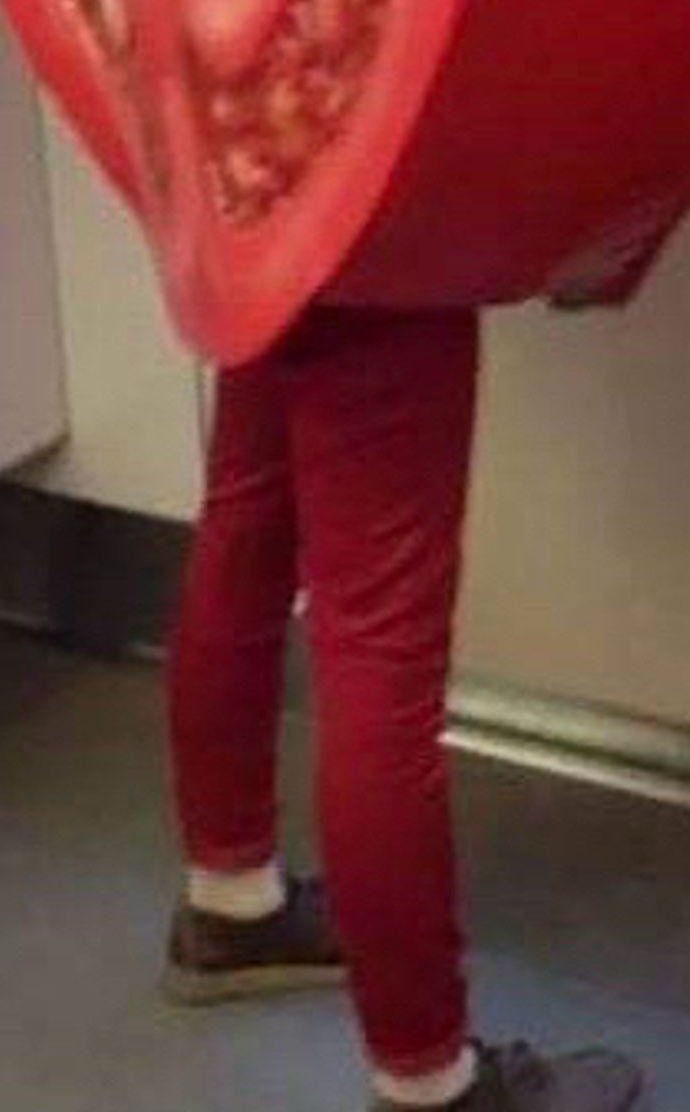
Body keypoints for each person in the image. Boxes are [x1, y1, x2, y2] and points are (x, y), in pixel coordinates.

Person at [163, 304, 649, 1112]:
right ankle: (429, 1080)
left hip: (264, 197)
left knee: (252, 503)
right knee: (380, 642)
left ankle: (233, 906)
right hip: (388, 216)